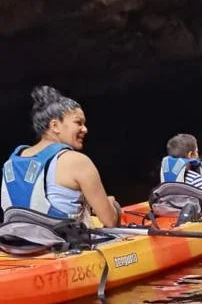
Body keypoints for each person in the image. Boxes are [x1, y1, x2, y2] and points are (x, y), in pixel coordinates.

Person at [1, 86, 120, 226]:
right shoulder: (76, 161)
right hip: (62, 245)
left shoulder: (10, 163)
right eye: (78, 122)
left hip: (16, 245)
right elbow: (109, 221)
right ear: (55, 126)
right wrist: (111, 205)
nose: (85, 129)